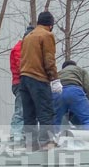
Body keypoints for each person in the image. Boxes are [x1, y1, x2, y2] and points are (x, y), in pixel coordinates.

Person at [19, 10, 61, 151]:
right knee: (45, 112)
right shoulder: (47, 35)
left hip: (24, 79)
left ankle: (30, 144)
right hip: (38, 78)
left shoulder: (28, 36)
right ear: (50, 25)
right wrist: (54, 79)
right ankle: (46, 142)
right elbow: (49, 59)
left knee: (29, 114)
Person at [9, 25, 35, 143]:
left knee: (27, 110)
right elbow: (22, 66)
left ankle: (22, 135)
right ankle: (16, 135)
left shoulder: (23, 47)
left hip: (25, 82)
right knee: (21, 110)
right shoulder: (20, 48)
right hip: (21, 83)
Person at [55, 59, 89, 130]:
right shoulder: (81, 70)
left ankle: (53, 136)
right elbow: (87, 86)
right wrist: (87, 101)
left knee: (55, 121)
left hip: (59, 93)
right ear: (75, 66)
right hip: (75, 91)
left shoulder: (59, 73)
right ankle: (88, 135)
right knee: (87, 118)